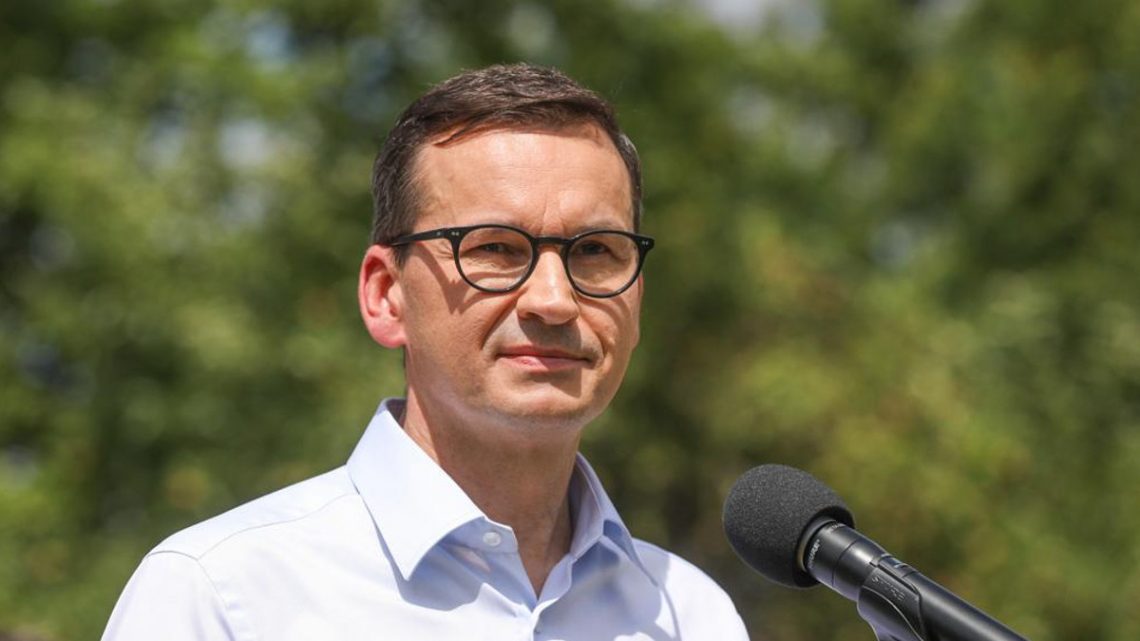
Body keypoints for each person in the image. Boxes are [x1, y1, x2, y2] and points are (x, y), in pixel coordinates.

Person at [102, 63, 749, 640]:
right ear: (386, 295)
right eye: (495, 248)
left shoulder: (690, 616)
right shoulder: (225, 597)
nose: (553, 299)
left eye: (595, 251)